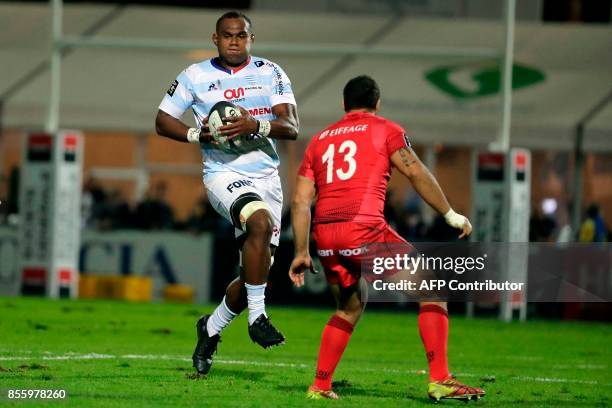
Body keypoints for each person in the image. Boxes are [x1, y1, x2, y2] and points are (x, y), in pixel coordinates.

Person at [288, 76, 485, 402]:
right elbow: (416, 172)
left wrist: (300, 251)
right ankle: (440, 380)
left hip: (325, 235)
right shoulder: (385, 130)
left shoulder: (319, 140)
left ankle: (320, 386)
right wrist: (450, 214)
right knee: (432, 290)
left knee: (348, 308)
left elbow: (299, 201)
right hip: (363, 228)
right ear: (377, 103)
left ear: (343, 105)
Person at [155, 11, 299, 375]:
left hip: (266, 177)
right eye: (227, 35)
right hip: (223, 174)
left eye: (242, 36)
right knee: (261, 224)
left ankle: (210, 328)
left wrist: (256, 124)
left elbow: (292, 126)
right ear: (215, 38)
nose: (234, 41)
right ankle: (258, 318)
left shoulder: (271, 72)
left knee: (257, 270)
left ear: (252, 39)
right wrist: (195, 134)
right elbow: (162, 120)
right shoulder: (195, 76)